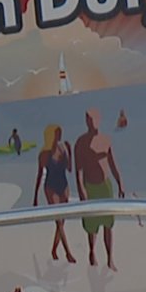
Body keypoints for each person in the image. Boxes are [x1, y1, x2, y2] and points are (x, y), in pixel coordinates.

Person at [74, 107, 124, 270]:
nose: (92, 122)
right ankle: (92, 251)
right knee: (92, 225)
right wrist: (81, 190)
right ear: (86, 121)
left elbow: (112, 163)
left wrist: (119, 183)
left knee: (108, 224)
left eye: (94, 119)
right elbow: (78, 170)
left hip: (105, 186)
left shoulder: (106, 140)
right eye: (89, 119)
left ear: (99, 120)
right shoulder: (81, 143)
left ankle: (110, 257)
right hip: (91, 187)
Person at [32, 124, 76, 263]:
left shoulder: (62, 148)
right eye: (57, 133)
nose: (60, 135)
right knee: (59, 220)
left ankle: (53, 249)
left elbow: (69, 168)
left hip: (63, 185)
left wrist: (70, 151)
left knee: (61, 222)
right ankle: (68, 253)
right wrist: (35, 196)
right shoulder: (44, 154)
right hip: (51, 186)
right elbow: (39, 175)